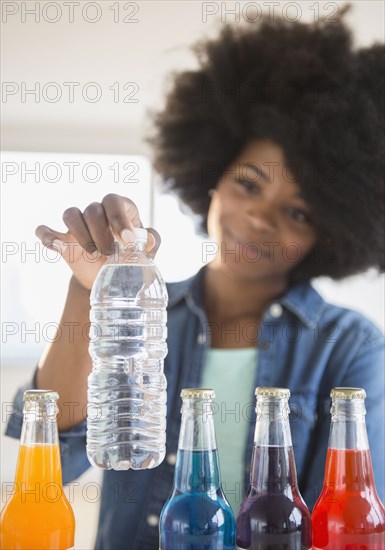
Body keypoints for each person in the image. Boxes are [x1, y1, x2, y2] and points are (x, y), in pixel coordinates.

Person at [6, 6, 384, 550]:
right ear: (211, 172)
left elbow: (351, 526)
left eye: (298, 212)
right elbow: (53, 464)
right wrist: (89, 292)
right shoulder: (146, 313)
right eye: (249, 184)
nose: (259, 218)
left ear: (333, 232)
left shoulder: (351, 347)